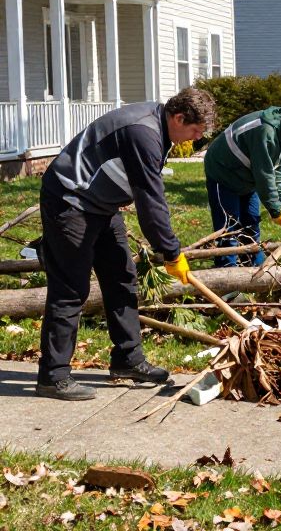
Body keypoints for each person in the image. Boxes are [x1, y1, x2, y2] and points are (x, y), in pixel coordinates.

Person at [35, 88, 216, 401]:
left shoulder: (159, 126)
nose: (197, 137)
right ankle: (53, 375)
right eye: (196, 130)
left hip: (100, 205)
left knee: (122, 276)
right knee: (71, 288)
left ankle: (127, 360)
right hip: (70, 200)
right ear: (178, 117)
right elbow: (151, 201)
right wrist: (171, 252)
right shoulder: (142, 132)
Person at [203, 100, 281, 266]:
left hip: (246, 177)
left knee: (251, 223)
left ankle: (255, 271)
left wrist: (279, 204)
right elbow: (264, 175)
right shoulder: (266, 131)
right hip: (223, 173)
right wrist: (274, 209)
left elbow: (277, 172)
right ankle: (227, 280)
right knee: (228, 229)